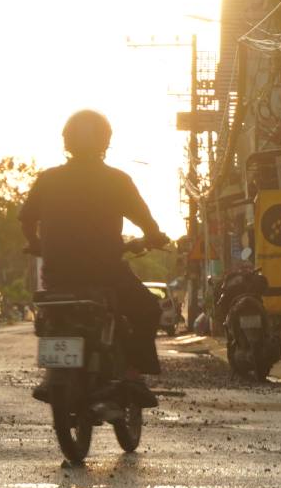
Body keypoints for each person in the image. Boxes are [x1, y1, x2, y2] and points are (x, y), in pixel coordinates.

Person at [20, 109, 169, 407]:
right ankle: (132, 374)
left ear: (67, 141)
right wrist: (154, 237)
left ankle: (52, 374)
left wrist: (36, 243)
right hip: (106, 272)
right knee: (147, 308)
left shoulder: (48, 179)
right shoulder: (117, 180)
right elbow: (147, 223)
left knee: (55, 316)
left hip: (58, 276)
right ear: (105, 141)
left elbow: (26, 219)